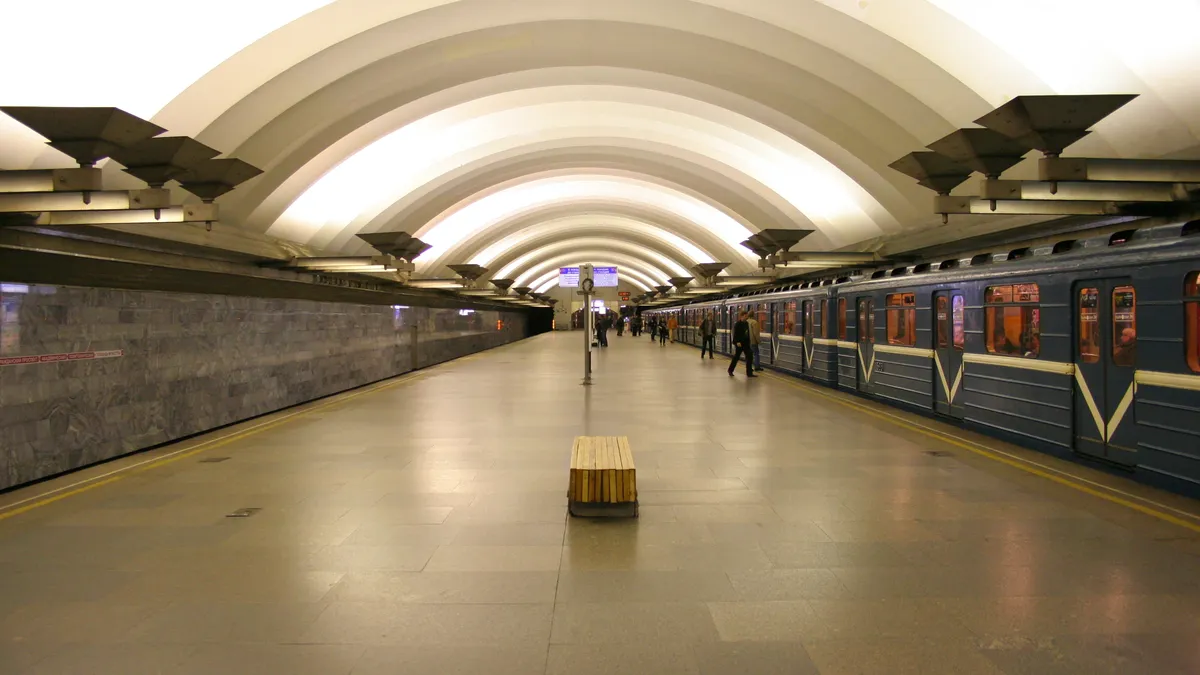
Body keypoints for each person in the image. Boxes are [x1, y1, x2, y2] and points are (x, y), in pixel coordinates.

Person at [728, 311, 755, 377]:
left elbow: (747, 333)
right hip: (739, 343)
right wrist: (737, 342)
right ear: (742, 316)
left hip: (746, 343)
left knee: (749, 356)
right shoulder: (737, 324)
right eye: (745, 316)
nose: (746, 317)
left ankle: (749, 373)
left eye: (747, 316)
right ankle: (730, 370)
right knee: (736, 357)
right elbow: (735, 334)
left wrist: (749, 341)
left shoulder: (746, 323)